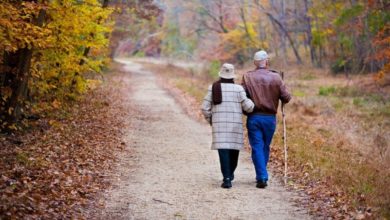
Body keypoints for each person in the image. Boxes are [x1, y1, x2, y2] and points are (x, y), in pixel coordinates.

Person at [242, 50, 291, 188]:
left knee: (257, 147)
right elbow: (286, 97)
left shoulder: (247, 77)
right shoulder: (276, 77)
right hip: (270, 119)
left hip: (254, 117)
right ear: (267, 62)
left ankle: (261, 175)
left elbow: (242, 96)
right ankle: (262, 175)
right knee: (264, 146)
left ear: (254, 63)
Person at [201, 63, 254, 189]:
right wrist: (252, 100)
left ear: (221, 74)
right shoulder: (239, 89)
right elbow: (249, 107)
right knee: (233, 152)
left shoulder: (213, 87)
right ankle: (229, 175)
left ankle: (227, 178)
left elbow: (204, 108)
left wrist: (211, 120)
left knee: (223, 152)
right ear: (233, 76)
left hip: (219, 126)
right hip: (235, 125)